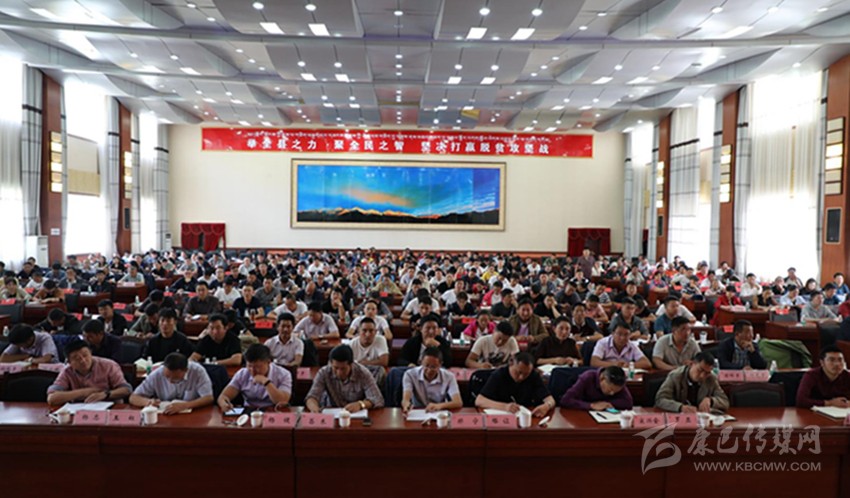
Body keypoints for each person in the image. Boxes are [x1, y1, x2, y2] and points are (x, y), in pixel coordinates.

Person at [46, 340, 132, 406]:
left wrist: (105, 394)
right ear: (69, 362)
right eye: (77, 358)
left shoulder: (108, 365)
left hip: (109, 409)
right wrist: (84, 392)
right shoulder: (67, 371)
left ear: (91, 353)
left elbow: (126, 389)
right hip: (79, 411)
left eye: (85, 355)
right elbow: (52, 399)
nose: (83, 361)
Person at [305, 345, 385, 412]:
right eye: (335, 368)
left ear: (351, 364)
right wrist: (314, 409)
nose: (339, 372)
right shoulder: (324, 372)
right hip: (332, 411)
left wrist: (360, 404)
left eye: (343, 369)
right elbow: (312, 397)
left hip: (355, 414)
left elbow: (377, 399)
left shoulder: (363, 373)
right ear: (330, 363)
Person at [474, 352, 556, 418]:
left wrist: (547, 406)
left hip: (524, 419)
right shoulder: (499, 375)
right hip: (501, 419)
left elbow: (550, 399)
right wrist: (505, 407)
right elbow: (479, 400)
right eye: (519, 372)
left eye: (526, 374)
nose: (521, 377)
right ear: (511, 364)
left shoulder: (533, 376)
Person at [128, 353, 214, 414]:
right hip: (165, 415)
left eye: (175, 378)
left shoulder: (198, 372)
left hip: (193, 415)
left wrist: (186, 405)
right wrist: (148, 402)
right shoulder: (157, 373)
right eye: (167, 377)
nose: (170, 381)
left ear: (185, 370)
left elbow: (208, 398)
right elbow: (133, 397)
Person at [217, 344, 292, 410]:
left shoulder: (283, 374)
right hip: (249, 411)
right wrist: (224, 403)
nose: (252, 371)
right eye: (249, 366)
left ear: (268, 362)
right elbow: (223, 396)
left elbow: (282, 401)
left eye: (257, 367)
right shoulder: (242, 374)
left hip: (274, 411)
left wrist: (266, 382)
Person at [655, 351, 729, 413]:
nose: (702, 376)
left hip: (701, 419)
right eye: (700, 370)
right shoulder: (675, 376)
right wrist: (680, 407)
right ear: (691, 364)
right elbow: (660, 399)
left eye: (707, 373)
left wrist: (711, 400)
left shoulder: (711, 378)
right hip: (678, 419)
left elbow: (725, 401)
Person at [401, 347, 463, 412]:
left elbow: (458, 402)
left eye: (433, 367)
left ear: (440, 365)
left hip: (438, 411)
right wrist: (406, 404)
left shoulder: (449, 376)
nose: (429, 370)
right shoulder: (410, 374)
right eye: (426, 366)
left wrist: (439, 406)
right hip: (418, 411)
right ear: (421, 362)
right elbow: (406, 399)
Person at [560, 366, 634, 410]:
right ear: (602, 378)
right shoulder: (588, 377)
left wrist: (606, 404)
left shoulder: (618, 382)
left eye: (615, 392)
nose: (612, 394)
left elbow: (628, 403)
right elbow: (566, 400)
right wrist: (591, 406)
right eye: (610, 390)